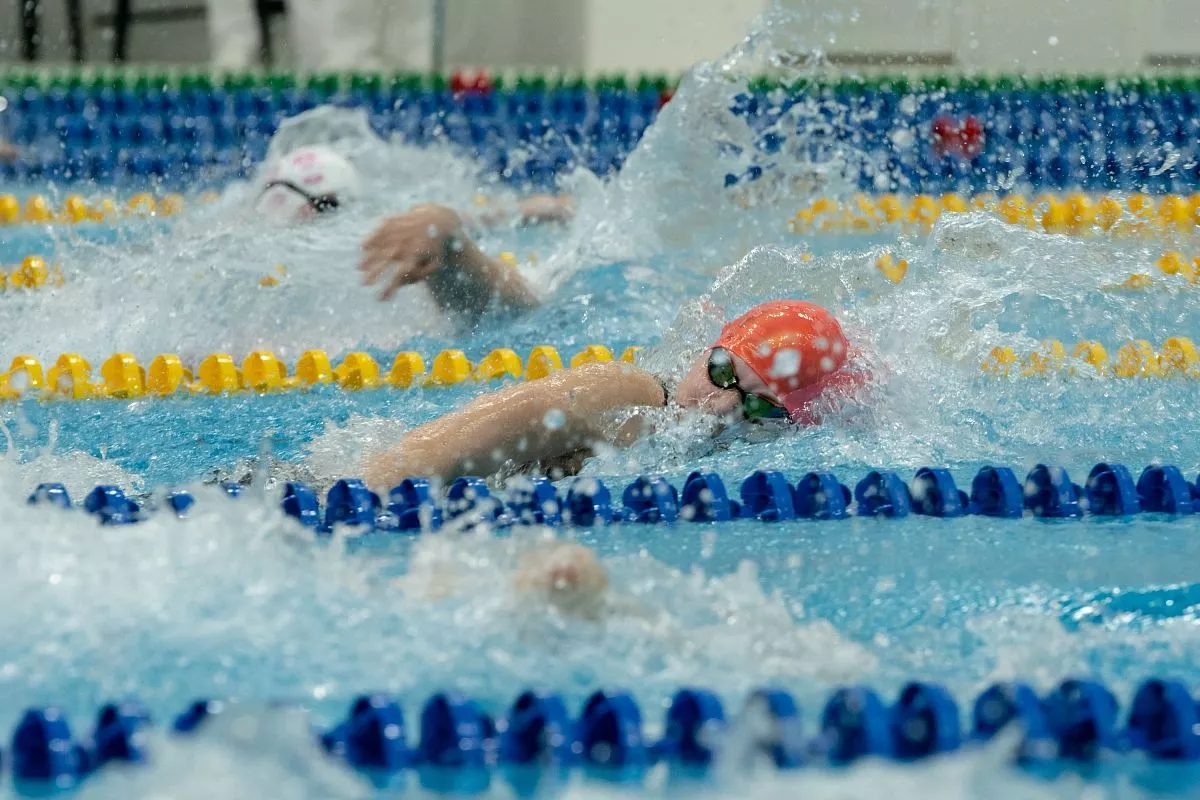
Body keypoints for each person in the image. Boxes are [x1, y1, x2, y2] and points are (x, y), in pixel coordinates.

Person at [358, 208, 866, 490]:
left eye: (758, 407)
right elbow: (428, 456)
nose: (719, 406)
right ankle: (453, 246)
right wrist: (360, 486)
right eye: (722, 372)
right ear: (707, 350)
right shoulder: (628, 395)